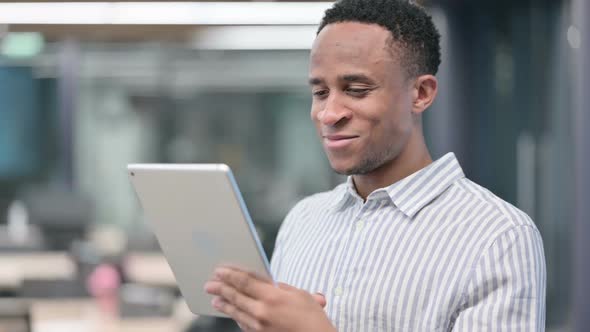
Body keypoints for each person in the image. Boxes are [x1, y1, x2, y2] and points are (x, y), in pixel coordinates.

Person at [205, 0, 546, 331]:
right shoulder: (302, 221)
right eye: (320, 92)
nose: (328, 113)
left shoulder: (498, 238)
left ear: (421, 93)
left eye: (356, 89)